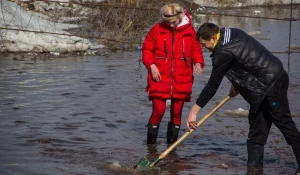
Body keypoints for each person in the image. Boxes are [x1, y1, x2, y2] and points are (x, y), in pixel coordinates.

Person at [186, 22, 300, 174]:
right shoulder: (231, 32)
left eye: (204, 44)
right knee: (256, 130)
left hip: (270, 85)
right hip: (266, 83)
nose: (204, 47)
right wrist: (236, 83)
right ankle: (254, 169)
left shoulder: (223, 52)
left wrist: (194, 111)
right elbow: (243, 61)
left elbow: (212, 86)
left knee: (285, 125)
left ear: (213, 37)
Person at [142, 3, 204, 145]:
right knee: (158, 111)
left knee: (176, 114)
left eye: (173, 22)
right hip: (159, 76)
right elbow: (146, 49)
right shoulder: (157, 29)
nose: (170, 25)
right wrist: (151, 65)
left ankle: (172, 149)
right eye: (168, 22)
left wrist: (198, 62)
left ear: (180, 17)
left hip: (183, 77)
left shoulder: (189, 31)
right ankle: (150, 148)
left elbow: (196, 49)